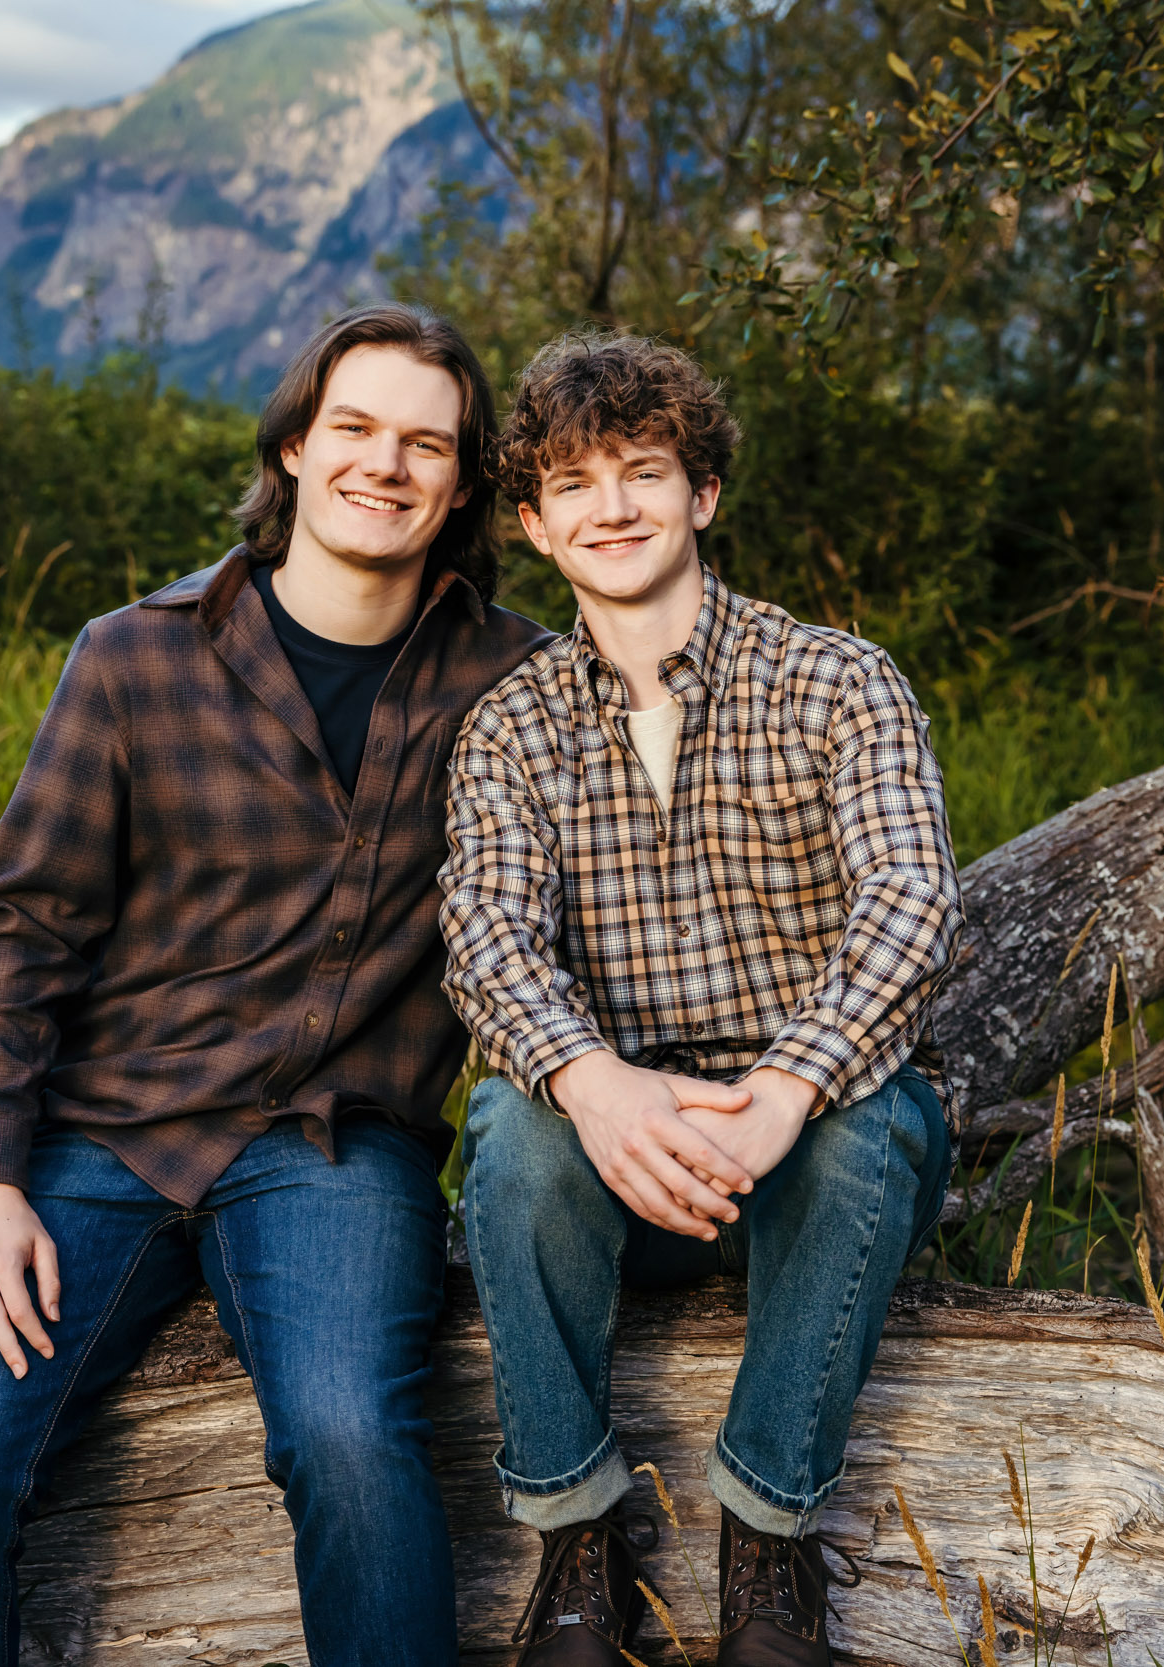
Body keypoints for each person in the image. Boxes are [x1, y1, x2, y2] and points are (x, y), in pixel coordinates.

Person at [0, 304, 550, 1666]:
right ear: (295, 442)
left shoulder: (521, 681)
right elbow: (21, 932)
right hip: (95, 1137)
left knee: (355, 1441)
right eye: (355, 427)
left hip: (335, 1149)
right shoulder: (135, 656)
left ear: (464, 484)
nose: (386, 464)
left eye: (427, 443)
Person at [439, 331, 961, 1666]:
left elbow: (909, 904)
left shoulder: (840, 680)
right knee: (509, 1135)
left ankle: (769, 1540)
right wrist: (598, 1086)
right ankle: (575, 1537)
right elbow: (486, 936)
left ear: (704, 494)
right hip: (625, 1150)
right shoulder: (511, 725)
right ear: (539, 528)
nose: (612, 506)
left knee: (873, 1125)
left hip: (805, 1144)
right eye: (574, 484)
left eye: (644, 470)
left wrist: (785, 1090)